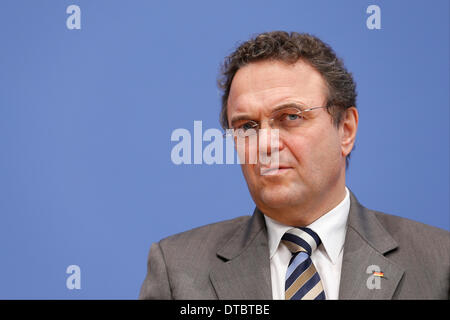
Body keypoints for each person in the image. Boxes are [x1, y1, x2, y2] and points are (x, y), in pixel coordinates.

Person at [139, 31, 449, 299]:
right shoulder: (177, 271)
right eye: (247, 126)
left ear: (346, 130)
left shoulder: (439, 262)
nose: (266, 144)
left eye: (290, 117)